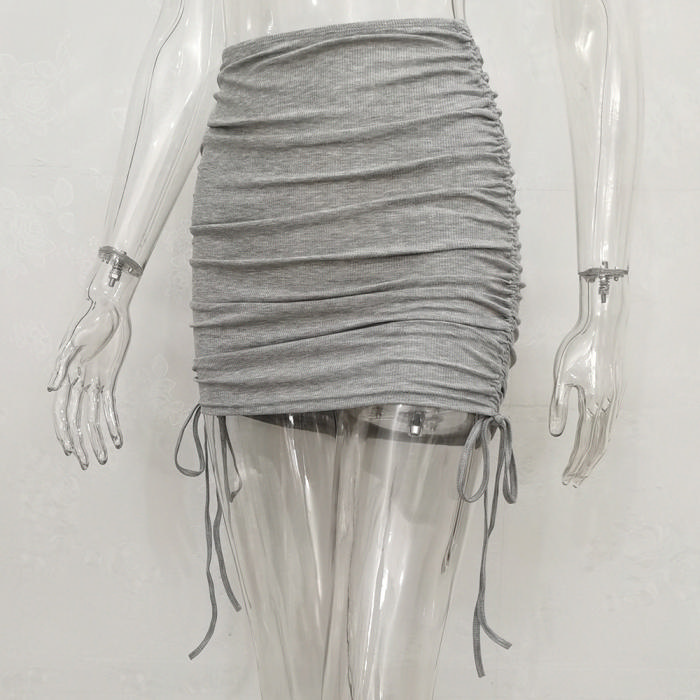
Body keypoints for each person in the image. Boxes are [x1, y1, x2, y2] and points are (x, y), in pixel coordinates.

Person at [47, 0, 642, 697]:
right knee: (294, 675)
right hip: (261, 213)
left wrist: (604, 306)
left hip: (430, 197)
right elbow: (195, 29)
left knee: (387, 674)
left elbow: (593, 21)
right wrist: (113, 284)